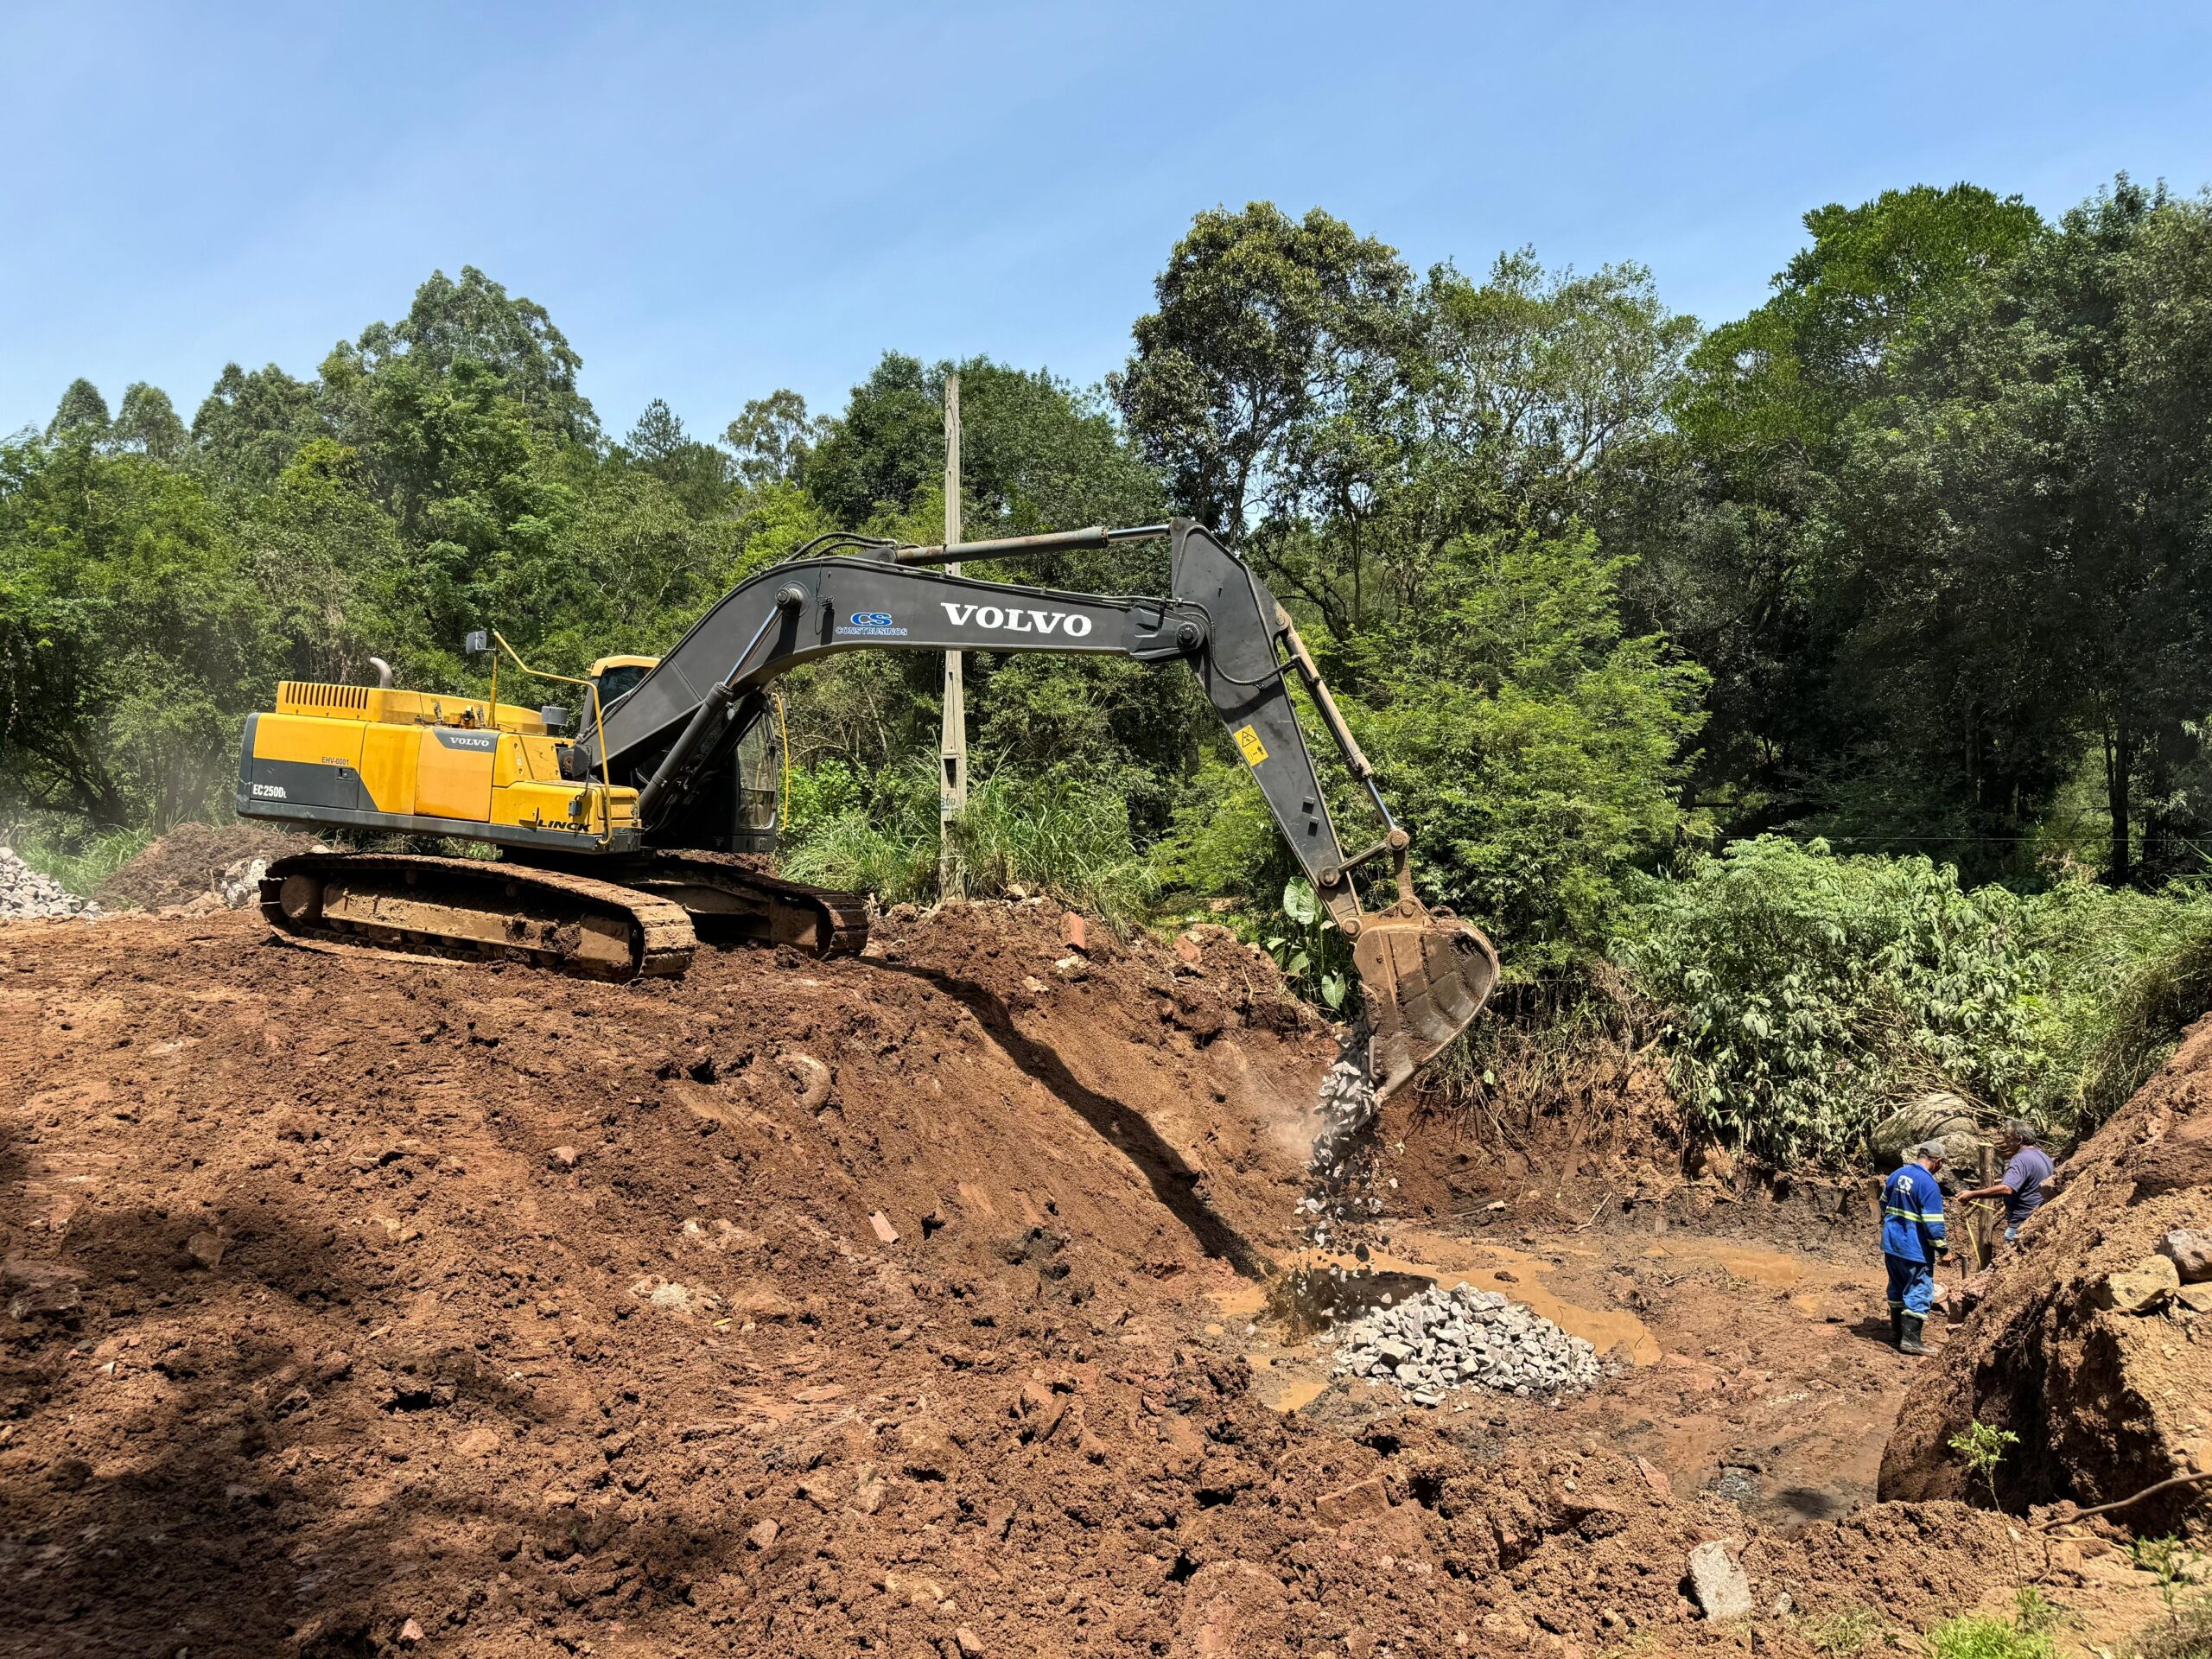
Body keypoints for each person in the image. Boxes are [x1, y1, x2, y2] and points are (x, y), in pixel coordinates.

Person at [1881, 1141, 1948, 1356]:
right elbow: (1933, 1223)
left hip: (1892, 1243)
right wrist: (1943, 1249)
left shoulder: (1897, 1174)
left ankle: (1896, 1334)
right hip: (1914, 1248)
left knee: (1897, 1285)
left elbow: (1883, 1202)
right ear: (1938, 1162)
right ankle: (1911, 1340)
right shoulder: (1928, 1184)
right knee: (1919, 1288)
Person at [1956, 1120, 2054, 1244]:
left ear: (2019, 1139)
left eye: (2007, 1138)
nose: (2005, 1141)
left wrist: (1973, 1194)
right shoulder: (2044, 1157)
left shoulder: (2020, 1159)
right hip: (2038, 1220)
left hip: (2021, 1224)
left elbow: (2007, 1189)